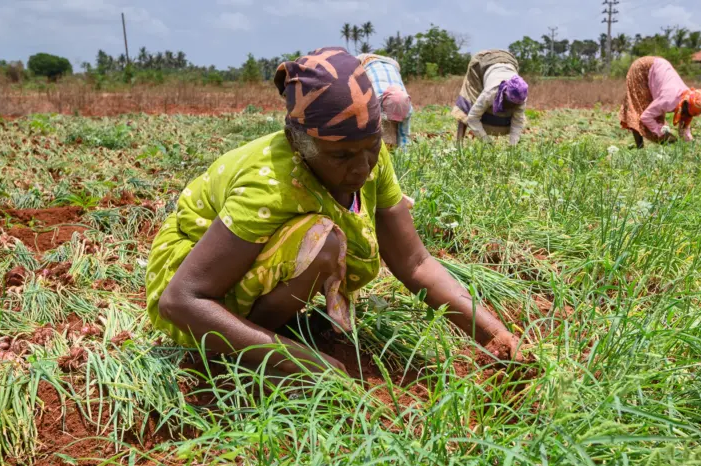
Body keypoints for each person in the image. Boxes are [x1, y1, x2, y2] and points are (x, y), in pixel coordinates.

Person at [146, 47, 522, 377]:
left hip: (240, 271)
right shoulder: (270, 186)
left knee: (326, 242)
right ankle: (225, 356)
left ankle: (265, 336)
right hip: (195, 282)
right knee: (322, 242)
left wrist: (494, 334)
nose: (361, 168)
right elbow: (182, 300)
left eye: (371, 147)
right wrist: (301, 361)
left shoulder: (369, 157)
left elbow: (415, 263)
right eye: (340, 156)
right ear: (298, 143)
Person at [620, 56, 701, 149]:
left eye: (689, 115)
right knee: (638, 109)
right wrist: (661, 132)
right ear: (685, 104)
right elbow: (645, 117)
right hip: (642, 68)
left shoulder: (688, 100)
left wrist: (691, 146)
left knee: (657, 118)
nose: (686, 115)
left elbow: (684, 128)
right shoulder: (668, 100)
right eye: (686, 112)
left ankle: (663, 149)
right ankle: (640, 149)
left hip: (659, 66)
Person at [452, 50, 528, 147]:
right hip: (483, 65)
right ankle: (458, 144)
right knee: (466, 106)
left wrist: (512, 147)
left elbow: (517, 123)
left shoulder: (521, 96)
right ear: (504, 94)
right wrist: (486, 142)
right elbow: (472, 118)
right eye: (511, 103)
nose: (514, 105)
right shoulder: (491, 92)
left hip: (507, 63)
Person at [357, 53, 413, 149]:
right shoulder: (374, 99)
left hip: (393, 64)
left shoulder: (407, 107)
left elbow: (404, 133)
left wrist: (404, 151)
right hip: (366, 61)